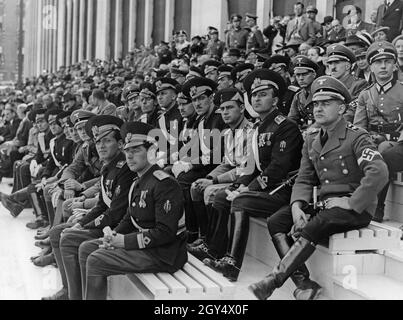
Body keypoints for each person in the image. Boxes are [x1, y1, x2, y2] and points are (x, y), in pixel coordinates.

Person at [249, 76, 389, 300]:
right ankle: (304, 284)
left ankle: (272, 281)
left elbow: (379, 172)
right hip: (324, 203)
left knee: (318, 223)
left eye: (326, 103)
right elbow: (304, 177)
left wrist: (351, 202)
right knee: (277, 220)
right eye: (316, 104)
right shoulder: (312, 137)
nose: (318, 108)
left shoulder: (356, 136)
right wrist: (297, 206)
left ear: (342, 108)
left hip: (356, 207)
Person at [203, 69, 303, 282]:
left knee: (240, 200)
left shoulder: (286, 126)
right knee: (223, 196)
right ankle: (215, 252)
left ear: (275, 100)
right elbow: (251, 166)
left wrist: (248, 189)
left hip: (284, 190)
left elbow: (278, 168)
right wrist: (238, 184)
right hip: (267, 187)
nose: (257, 99)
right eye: (254, 95)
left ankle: (232, 264)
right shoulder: (259, 127)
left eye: (263, 94)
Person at [77, 122, 187, 300]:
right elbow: (129, 218)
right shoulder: (139, 180)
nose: (129, 156)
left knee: (96, 259)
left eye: (135, 150)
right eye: (127, 151)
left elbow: (165, 233)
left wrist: (124, 242)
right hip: (150, 246)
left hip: (165, 253)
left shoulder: (165, 184)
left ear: (151, 152)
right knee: (87, 247)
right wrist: (113, 236)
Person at [45, 115, 135, 300]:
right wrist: (83, 222)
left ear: (120, 144)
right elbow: (102, 204)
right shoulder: (108, 167)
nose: (100, 146)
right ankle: (69, 291)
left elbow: (116, 212)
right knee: (57, 232)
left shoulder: (124, 168)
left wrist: (85, 225)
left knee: (69, 237)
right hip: (108, 222)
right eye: (98, 141)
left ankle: (75, 296)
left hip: (118, 228)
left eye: (107, 141)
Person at [187, 88, 253, 260]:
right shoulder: (229, 132)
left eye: (229, 108)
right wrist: (209, 178)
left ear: (242, 108)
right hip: (234, 176)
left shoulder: (250, 131)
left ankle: (215, 247)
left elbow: (244, 169)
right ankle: (204, 237)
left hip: (248, 180)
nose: (225, 112)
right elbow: (227, 163)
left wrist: (214, 181)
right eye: (222, 109)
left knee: (211, 191)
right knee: (196, 186)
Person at [353, 41, 403, 222]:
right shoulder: (365, 94)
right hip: (371, 140)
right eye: (377, 62)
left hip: (397, 142)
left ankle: (377, 208)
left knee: (382, 153)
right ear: (371, 67)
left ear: (395, 65)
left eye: (388, 61)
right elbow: (359, 126)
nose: (383, 66)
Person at [325, 44, 368, 122]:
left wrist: (329, 125)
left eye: (336, 63)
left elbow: (351, 113)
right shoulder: (327, 86)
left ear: (347, 66)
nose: (333, 67)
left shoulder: (360, 84)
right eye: (330, 63)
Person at [288, 55, 319, 130]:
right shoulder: (298, 96)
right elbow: (292, 118)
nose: (301, 78)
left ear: (314, 74)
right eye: (298, 75)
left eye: (305, 74)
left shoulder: (321, 92)